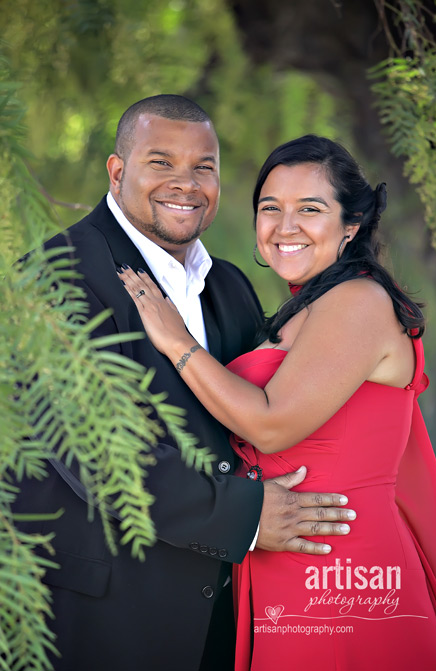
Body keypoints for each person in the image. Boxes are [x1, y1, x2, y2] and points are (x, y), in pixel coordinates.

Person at [12, 98, 356, 671]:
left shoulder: (230, 286)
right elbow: (94, 447)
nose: (187, 184)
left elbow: (260, 417)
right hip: (106, 620)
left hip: (224, 620)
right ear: (118, 172)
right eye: (162, 162)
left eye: (205, 167)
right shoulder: (55, 274)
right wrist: (242, 517)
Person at [119, 134, 436, 670]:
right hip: (289, 556)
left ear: (351, 225)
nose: (285, 226)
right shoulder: (304, 308)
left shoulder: (359, 300)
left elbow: (271, 426)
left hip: (342, 570)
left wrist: (177, 340)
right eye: (270, 208)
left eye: (310, 209)